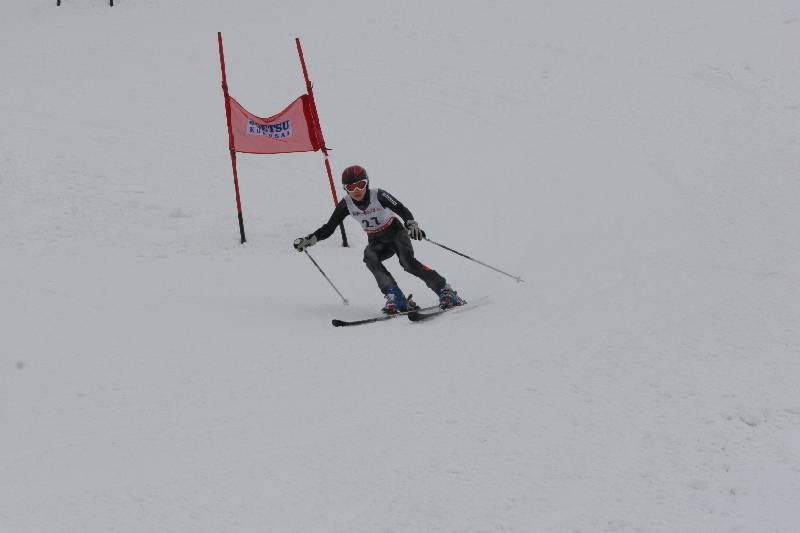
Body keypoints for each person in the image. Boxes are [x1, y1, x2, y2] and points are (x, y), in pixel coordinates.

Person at [293, 165, 463, 314]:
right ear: (345, 189)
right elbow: (329, 228)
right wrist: (308, 240)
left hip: (396, 233)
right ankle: (396, 297)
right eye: (351, 187)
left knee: (407, 263)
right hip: (377, 240)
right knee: (370, 256)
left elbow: (402, 209)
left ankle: (445, 290)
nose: (356, 190)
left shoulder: (379, 195)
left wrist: (412, 225)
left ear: (367, 183)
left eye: (360, 185)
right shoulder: (346, 204)